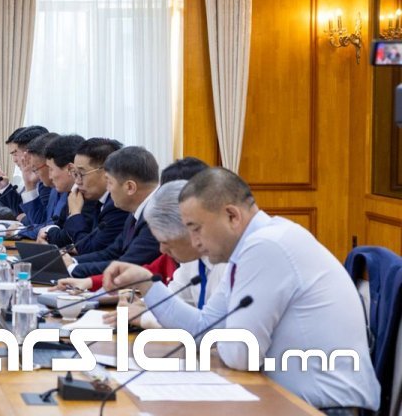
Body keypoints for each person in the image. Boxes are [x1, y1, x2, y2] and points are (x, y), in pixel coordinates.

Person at [103, 168, 380, 412]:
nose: (195, 242)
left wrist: (219, 338)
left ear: (232, 216)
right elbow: (203, 328)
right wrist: (147, 284)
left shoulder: (267, 246)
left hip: (322, 408)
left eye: (196, 228)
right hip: (287, 400)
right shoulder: (250, 248)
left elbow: (241, 354)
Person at [100, 179, 228, 328]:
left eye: (166, 242)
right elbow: (175, 300)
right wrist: (145, 305)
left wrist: (143, 317)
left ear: (192, 232)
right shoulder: (193, 259)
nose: (162, 250)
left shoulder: (229, 263)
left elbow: (210, 328)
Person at [63, 146, 161, 277]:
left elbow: (128, 265)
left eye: (109, 182)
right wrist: (73, 262)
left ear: (130, 187)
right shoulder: (136, 211)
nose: (108, 189)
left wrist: (72, 269)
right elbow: (112, 253)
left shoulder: (158, 216)